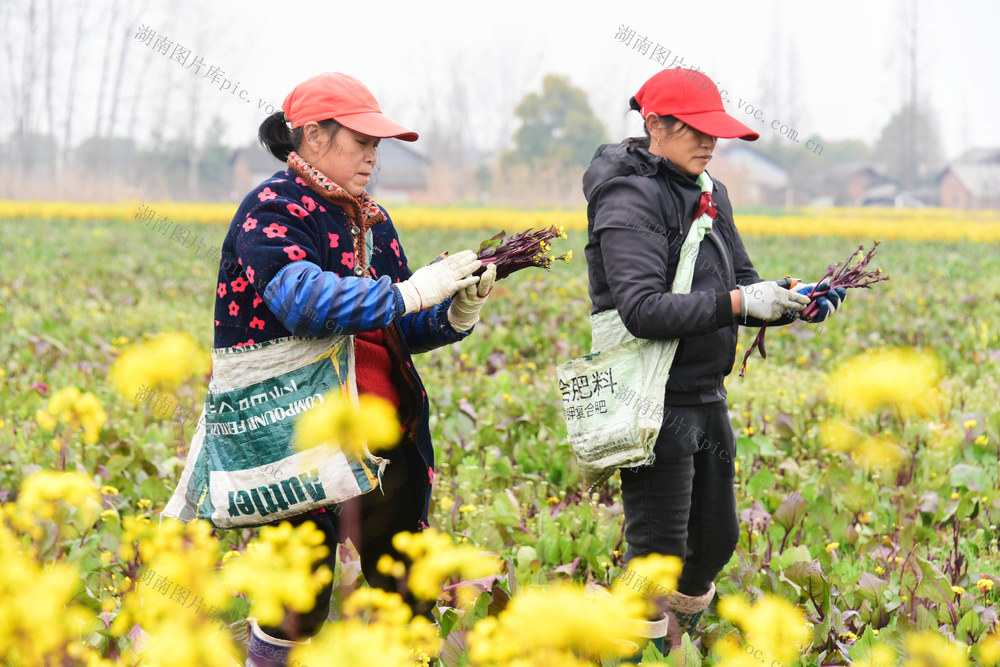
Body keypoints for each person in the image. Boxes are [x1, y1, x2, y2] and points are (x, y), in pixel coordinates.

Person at [211, 72, 495, 666]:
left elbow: (395, 324)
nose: (373, 156)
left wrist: (454, 312)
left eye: (376, 144)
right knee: (298, 601)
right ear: (314, 135)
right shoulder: (273, 208)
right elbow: (301, 301)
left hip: (384, 432)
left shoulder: (372, 219)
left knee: (406, 588)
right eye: (361, 141)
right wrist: (411, 292)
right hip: (298, 434)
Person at [582, 68, 845, 656]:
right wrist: (740, 302)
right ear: (654, 124)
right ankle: (626, 646)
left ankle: (666, 639)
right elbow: (642, 309)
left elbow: (742, 281)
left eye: (714, 131)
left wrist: (791, 299)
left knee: (715, 540)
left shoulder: (709, 191)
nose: (709, 142)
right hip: (651, 396)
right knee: (657, 552)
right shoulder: (628, 196)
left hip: (704, 391)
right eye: (694, 129)